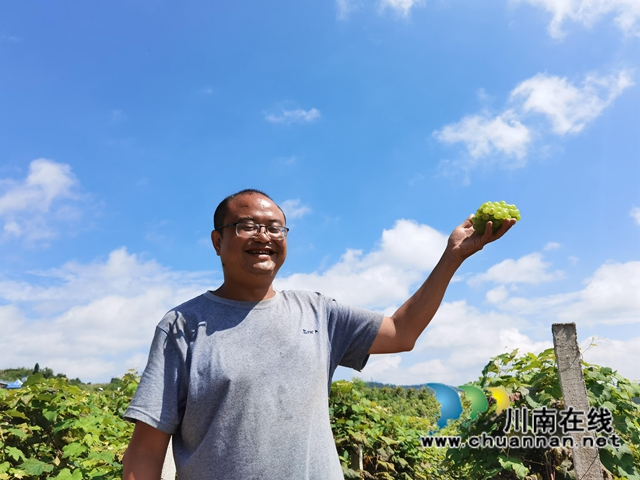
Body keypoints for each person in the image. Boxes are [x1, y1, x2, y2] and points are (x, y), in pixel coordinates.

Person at [122, 189, 515, 479]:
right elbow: (145, 452)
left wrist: (453, 256)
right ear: (217, 241)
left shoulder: (318, 311)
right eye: (247, 226)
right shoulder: (183, 325)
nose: (264, 236)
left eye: (275, 228)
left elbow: (401, 332)